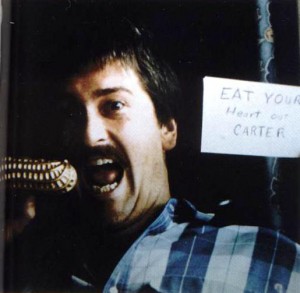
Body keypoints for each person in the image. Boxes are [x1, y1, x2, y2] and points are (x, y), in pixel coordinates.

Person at [10, 17, 300, 293]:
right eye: (71, 113)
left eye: (114, 106)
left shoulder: (265, 261)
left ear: (167, 129)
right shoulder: (25, 265)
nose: (89, 136)